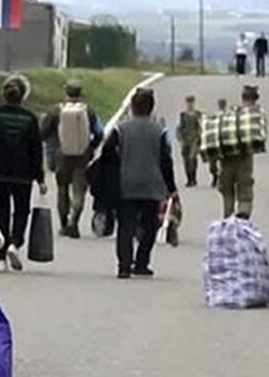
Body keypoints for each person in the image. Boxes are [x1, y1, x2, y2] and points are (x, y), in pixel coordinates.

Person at [0, 75, 47, 273]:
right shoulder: (30, 118)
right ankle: (15, 243)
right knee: (21, 210)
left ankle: (1, 256)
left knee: (0, 212)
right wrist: (40, 178)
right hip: (23, 174)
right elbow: (36, 151)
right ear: (23, 96)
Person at [99, 88, 176, 279]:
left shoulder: (121, 129)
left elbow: (107, 154)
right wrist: (171, 188)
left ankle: (124, 265)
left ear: (132, 107)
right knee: (150, 226)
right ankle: (142, 262)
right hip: (152, 184)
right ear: (151, 108)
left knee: (126, 225)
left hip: (126, 184)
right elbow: (166, 160)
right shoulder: (159, 130)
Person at [41, 79, 104, 238]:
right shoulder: (89, 111)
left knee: (62, 189)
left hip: (61, 155)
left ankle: (63, 224)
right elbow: (99, 132)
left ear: (66, 92)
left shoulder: (55, 111)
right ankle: (74, 222)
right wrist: (91, 147)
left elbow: (43, 132)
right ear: (81, 93)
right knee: (79, 190)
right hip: (82, 156)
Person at [216, 86, 266, 220]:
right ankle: (242, 216)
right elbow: (261, 136)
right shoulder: (256, 114)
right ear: (255, 99)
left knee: (227, 192)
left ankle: (228, 218)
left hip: (226, 158)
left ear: (242, 98)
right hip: (244, 158)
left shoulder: (232, 113)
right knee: (245, 192)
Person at [176, 95, 203, 188]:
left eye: (191, 102)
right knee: (186, 160)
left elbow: (200, 127)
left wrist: (199, 137)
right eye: (188, 102)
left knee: (192, 158)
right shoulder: (183, 115)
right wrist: (180, 138)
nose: (190, 104)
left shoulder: (197, 114)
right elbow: (179, 128)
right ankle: (188, 178)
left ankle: (193, 178)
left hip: (194, 140)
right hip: (185, 140)